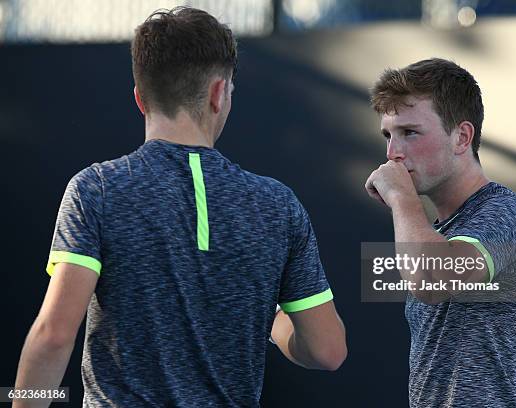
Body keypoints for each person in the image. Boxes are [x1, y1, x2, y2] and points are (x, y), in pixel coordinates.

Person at [13, 7, 346, 407]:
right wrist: (275, 324)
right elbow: (328, 350)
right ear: (219, 94)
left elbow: (53, 335)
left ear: (140, 98)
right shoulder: (279, 205)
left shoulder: (95, 189)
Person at [365, 58, 516, 407]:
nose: (393, 154)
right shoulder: (432, 233)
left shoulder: (507, 211)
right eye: (388, 135)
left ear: (462, 137)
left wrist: (402, 198)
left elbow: (432, 278)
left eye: (410, 132)